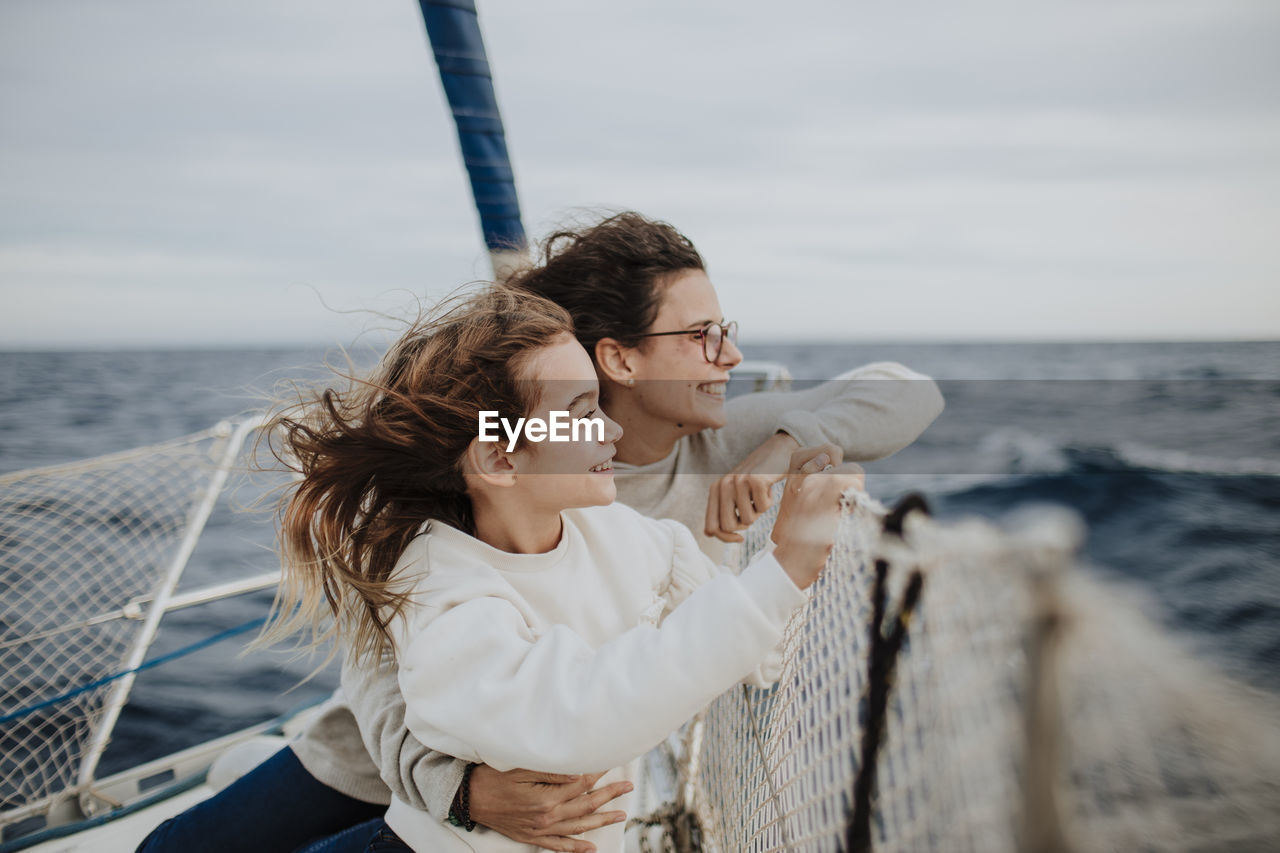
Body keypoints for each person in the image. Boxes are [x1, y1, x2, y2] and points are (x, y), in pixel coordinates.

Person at [135, 212, 943, 853]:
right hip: (395, 765)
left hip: (555, 771)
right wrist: (461, 788)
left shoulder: (708, 445)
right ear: (619, 361)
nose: (728, 355)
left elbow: (910, 393)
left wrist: (786, 446)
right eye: (699, 335)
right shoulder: (465, 497)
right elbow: (387, 672)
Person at [270, 284, 863, 853]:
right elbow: (577, 714)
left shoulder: (632, 539)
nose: (612, 429)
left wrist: (813, 545)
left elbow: (764, 654)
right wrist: (784, 565)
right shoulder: (437, 590)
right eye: (581, 414)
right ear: (502, 458)